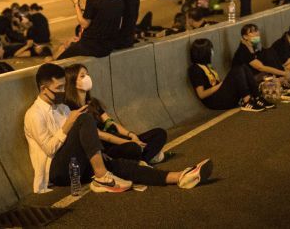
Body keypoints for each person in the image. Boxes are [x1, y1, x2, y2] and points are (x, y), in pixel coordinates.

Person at [24, 63, 212, 195]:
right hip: (58, 171)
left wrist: (97, 150)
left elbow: (85, 135)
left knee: (122, 166)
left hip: (78, 163)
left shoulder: (63, 108)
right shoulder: (34, 114)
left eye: (64, 87)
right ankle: (102, 176)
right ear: (43, 89)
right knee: (84, 119)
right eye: (58, 88)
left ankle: (180, 177)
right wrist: (69, 124)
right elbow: (49, 149)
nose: (62, 92)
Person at [64, 64, 168, 164]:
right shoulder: (71, 108)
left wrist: (131, 135)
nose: (87, 78)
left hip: (117, 138)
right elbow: (99, 135)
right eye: (82, 76)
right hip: (106, 148)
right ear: (73, 82)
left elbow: (110, 122)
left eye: (87, 74)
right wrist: (127, 143)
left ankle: (142, 160)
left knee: (160, 133)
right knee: (134, 148)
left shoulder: (92, 102)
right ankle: (145, 157)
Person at [55, 0, 124, 59]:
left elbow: (84, 24)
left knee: (58, 60)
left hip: (90, 47)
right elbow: (106, 17)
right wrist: (86, 9)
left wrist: (76, 4)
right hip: (107, 48)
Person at [187, 38, 270, 112]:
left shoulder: (206, 65)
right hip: (215, 101)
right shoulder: (195, 69)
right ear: (204, 53)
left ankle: (257, 97)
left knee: (242, 66)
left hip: (221, 95)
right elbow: (202, 94)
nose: (212, 52)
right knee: (236, 70)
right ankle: (246, 101)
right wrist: (220, 84)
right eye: (210, 50)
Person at [231, 24, 290, 104]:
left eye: (256, 30)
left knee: (269, 52)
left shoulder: (255, 46)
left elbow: (269, 58)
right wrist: (283, 73)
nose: (256, 33)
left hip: (257, 75)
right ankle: (282, 80)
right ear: (245, 37)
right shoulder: (243, 50)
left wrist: (284, 71)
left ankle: (283, 82)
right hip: (245, 81)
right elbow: (261, 68)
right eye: (252, 32)